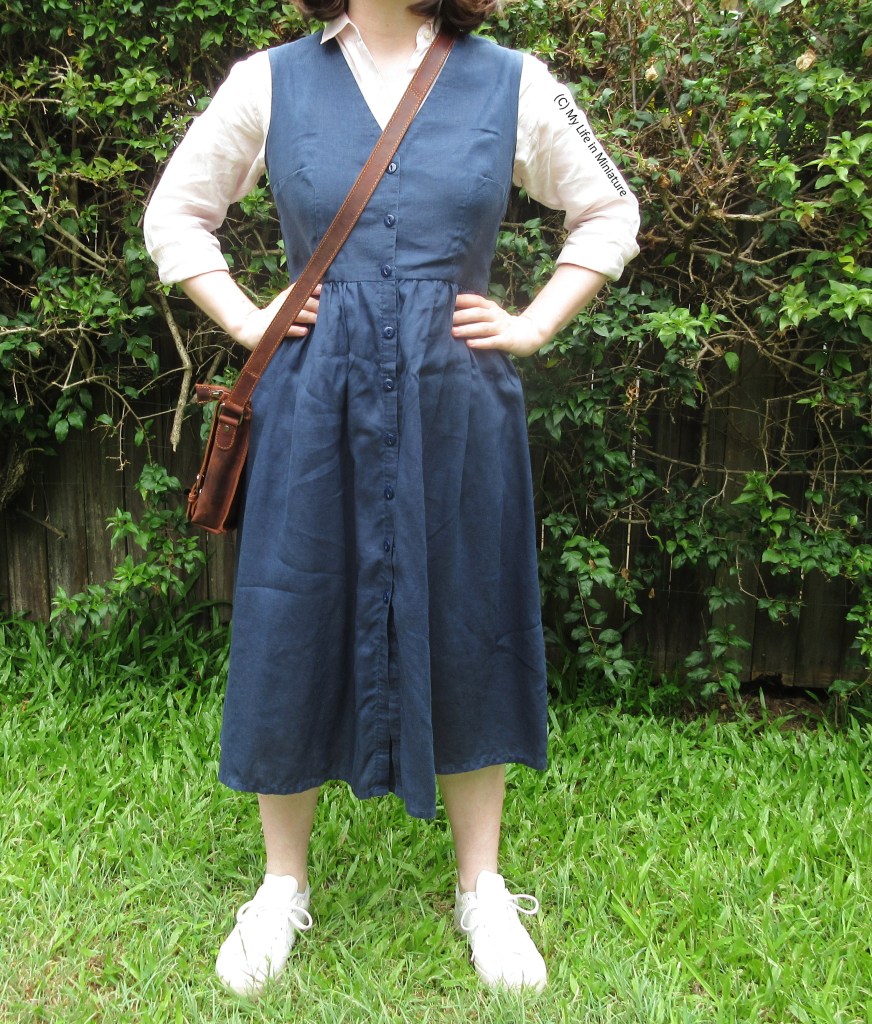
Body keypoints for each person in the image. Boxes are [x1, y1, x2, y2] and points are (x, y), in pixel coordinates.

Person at [144, 0, 639, 998]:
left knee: (470, 615)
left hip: (454, 399)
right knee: (292, 611)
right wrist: (251, 318)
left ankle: (481, 885)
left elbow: (609, 208)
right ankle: (280, 886)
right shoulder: (268, 80)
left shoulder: (513, 81)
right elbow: (174, 213)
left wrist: (536, 322)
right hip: (311, 394)